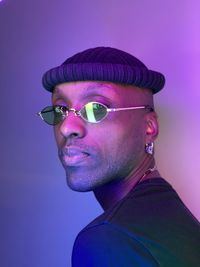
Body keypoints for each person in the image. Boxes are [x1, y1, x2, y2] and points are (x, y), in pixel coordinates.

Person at [38, 47, 200, 266]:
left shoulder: (109, 239)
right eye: (60, 110)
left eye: (95, 109)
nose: (67, 127)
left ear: (149, 127)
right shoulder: (171, 214)